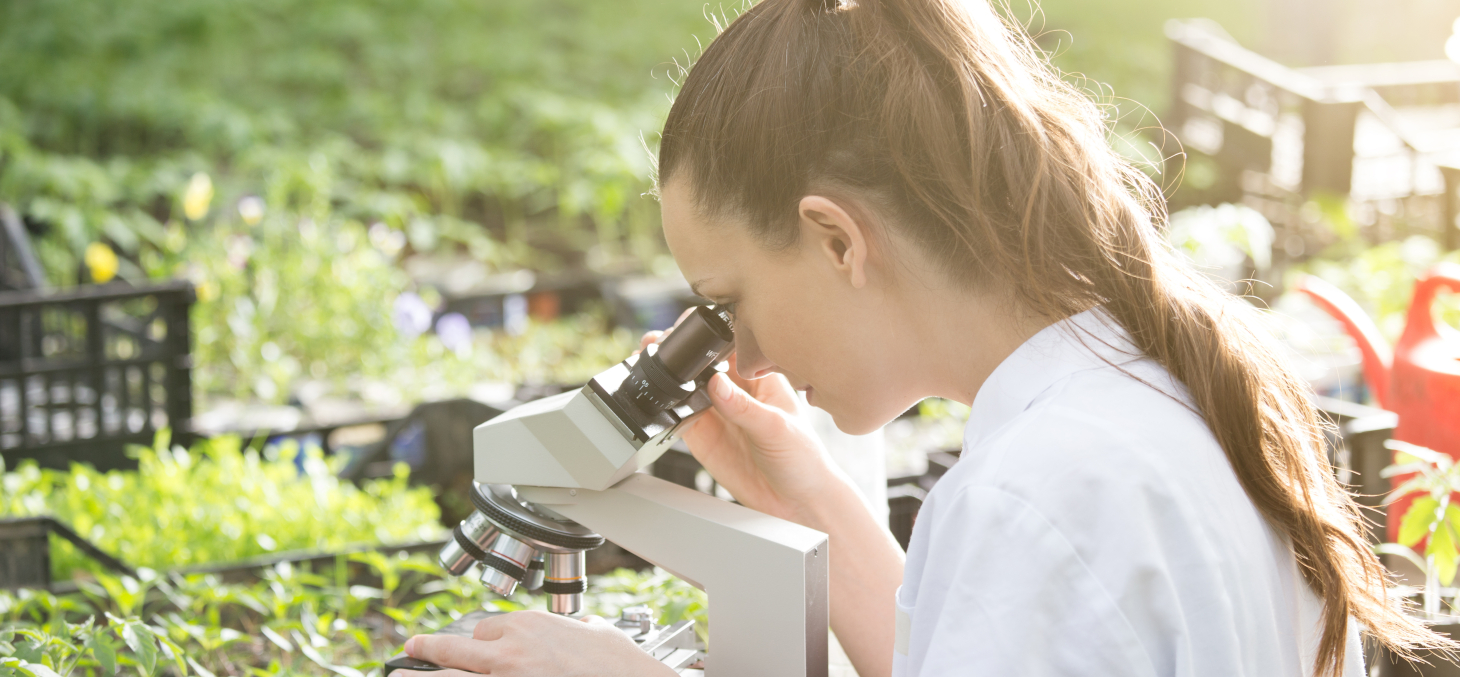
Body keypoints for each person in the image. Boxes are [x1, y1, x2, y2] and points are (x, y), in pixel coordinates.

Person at [394, 0, 1452, 674]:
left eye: (728, 300)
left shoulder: (1039, 489)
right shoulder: (1146, 391)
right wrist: (811, 505)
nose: (741, 358)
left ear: (835, 239)